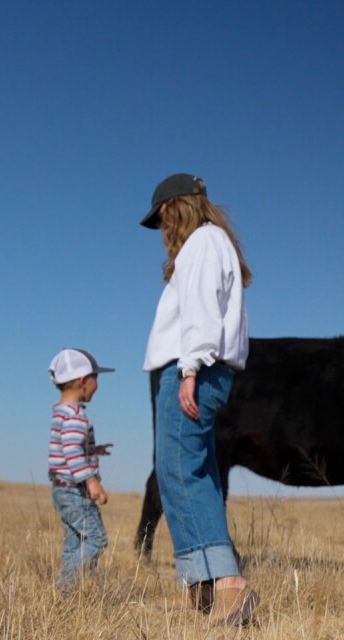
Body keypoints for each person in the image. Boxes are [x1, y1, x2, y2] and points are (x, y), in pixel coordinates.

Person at [140, 173, 258, 625]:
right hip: (196, 367)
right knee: (195, 472)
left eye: (163, 215)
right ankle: (201, 588)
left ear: (178, 205)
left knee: (179, 471)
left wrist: (189, 369)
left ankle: (227, 585)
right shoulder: (210, 243)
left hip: (192, 368)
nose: (163, 226)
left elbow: (202, 312)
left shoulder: (204, 243)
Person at [47, 348, 114, 590]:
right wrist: (91, 480)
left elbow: (70, 447)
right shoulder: (76, 415)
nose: (98, 385)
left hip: (61, 488)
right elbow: (72, 451)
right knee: (96, 539)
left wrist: (95, 451)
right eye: (96, 379)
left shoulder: (61, 413)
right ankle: (65, 584)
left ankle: (65, 595)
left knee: (75, 542)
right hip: (74, 491)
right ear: (83, 381)